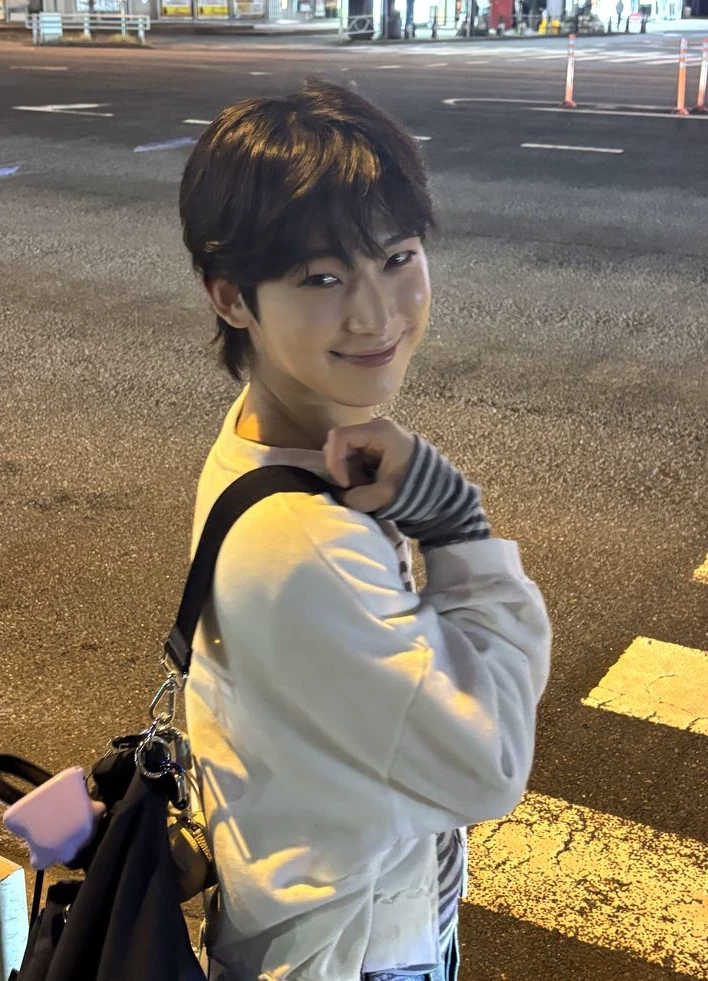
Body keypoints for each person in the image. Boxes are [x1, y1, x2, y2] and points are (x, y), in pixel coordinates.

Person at [178, 80, 551, 981]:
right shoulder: (305, 544)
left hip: (301, 906)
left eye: (396, 257)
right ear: (232, 297)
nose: (377, 313)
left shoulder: (264, 437)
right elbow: (490, 762)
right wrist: (455, 522)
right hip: (356, 953)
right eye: (322, 277)